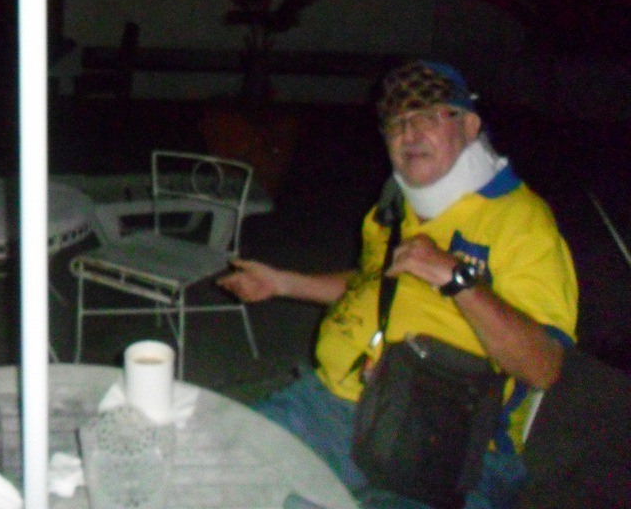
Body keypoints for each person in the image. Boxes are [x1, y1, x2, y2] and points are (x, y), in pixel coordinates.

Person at [218, 60, 578, 509]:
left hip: (451, 443)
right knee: (207, 466)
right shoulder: (393, 207)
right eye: (397, 123)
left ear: (468, 126)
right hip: (332, 405)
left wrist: (457, 279)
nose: (409, 134)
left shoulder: (521, 222)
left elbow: (542, 367)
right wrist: (284, 283)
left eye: (427, 116)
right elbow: (373, 285)